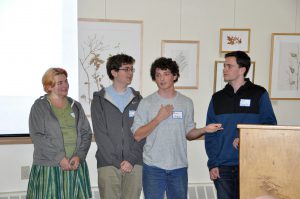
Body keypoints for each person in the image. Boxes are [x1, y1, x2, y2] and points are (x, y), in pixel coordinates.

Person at [131, 57, 223, 199]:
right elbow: (137, 135)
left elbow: (189, 133)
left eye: (166, 74)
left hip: (178, 167)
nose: (162, 78)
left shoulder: (186, 102)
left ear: (174, 76)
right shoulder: (146, 103)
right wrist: (159, 118)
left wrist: (204, 130)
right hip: (153, 168)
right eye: (158, 75)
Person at [205, 51, 277, 199]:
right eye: (224, 66)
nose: (224, 69)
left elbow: (270, 127)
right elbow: (210, 134)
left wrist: (247, 138)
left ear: (242, 69)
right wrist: (213, 163)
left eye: (229, 66)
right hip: (223, 167)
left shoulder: (259, 93)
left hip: (252, 165)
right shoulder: (217, 98)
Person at [27, 67, 92, 199]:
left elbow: (86, 133)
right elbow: (38, 137)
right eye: (60, 83)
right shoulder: (39, 106)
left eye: (66, 81)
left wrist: (79, 155)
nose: (65, 85)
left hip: (75, 165)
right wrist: (60, 158)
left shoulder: (76, 106)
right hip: (49, 166)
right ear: (49, 86)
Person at [91, 54, 144, 199]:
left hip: (135, 163)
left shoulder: (139, 100)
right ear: (114, 72)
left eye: (132, 69)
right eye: (126, 69)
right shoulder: (99, 100)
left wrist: (132, 159)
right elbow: (100, 134)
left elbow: (143, 132)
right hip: (108, 163)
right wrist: (116, 162)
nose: (130, 73)